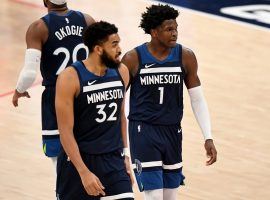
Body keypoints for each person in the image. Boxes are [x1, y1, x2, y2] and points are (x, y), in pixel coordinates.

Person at [121, 4, 217, 200]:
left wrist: (208, 136)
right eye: (169, 29)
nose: (175, 33)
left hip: (172, 131)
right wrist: (120, 146)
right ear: (154, 32)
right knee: (154, 196)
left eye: (176, 29)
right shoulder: (133, 59)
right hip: (143, 131)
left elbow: (197, 99)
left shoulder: (186, 56)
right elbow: (116, 99)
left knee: (170, 196)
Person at [55, 21, 134, 200]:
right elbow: (65, 131)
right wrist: (83, 172)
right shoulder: (70, 77)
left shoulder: (122, 72)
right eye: (114, 45)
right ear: (98, 49)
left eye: (119, 43)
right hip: (79, 162)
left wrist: (126, 156)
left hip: (113, 160)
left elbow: (121, 116)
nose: (120, 49)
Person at [12, 0, 95, 168]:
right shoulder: (88, 20)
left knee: (60, 162)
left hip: (57, 97)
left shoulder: (38, 28)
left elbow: (29, 73)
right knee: (90, 155)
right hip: (87, 94)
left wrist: (19, 90)